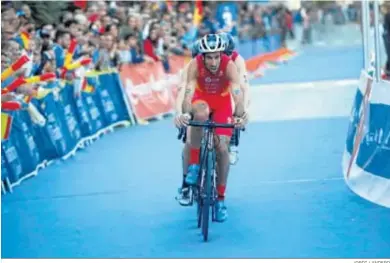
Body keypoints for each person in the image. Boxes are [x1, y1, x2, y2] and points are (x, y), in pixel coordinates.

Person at [175, 34, 246, 222]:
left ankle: (221, 199)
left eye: (217, 57)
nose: (213, 62)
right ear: (202, 56)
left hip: (222, 104)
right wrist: (183, 113)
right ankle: (194, 166)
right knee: (200, 114)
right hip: (201, 100)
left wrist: (240, 116)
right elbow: (187, 92)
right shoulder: (194, 65)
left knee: (222, 147)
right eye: (209, 57)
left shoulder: (229, 66)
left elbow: (238, 93)